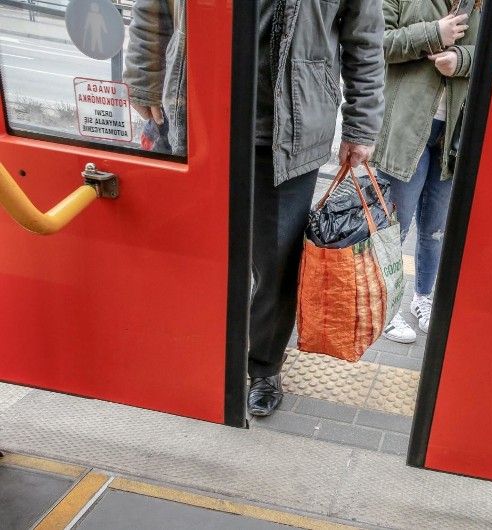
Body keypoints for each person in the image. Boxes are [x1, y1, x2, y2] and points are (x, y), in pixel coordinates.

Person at [124, 0, 385, 416]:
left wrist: (362, 125)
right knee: (193, 253)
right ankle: (193, 350)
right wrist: (143, 79)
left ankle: (263, 366)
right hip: (198, 113)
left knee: (276, 262)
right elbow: (153, 9)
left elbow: (365, 40)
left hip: (291, 131)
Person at [372, 0, 481, 343]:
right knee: (397, 227)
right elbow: (377, 42)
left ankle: (424, 299)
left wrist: (461, 60)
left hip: (455, 135)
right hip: (406, 128)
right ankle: (385, 307)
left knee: (434, 230)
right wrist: (434, 33)